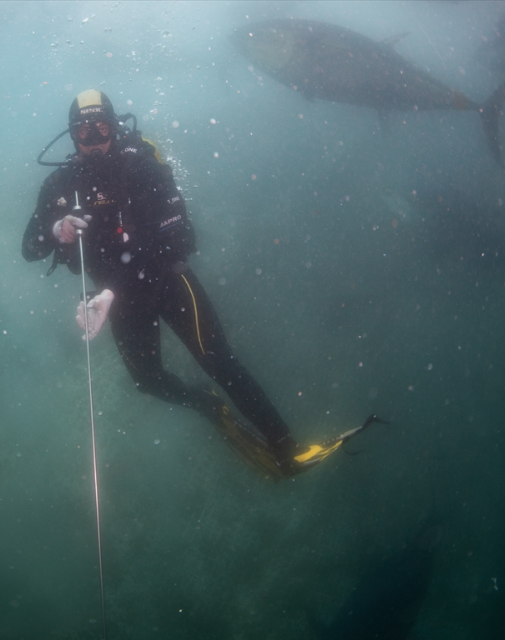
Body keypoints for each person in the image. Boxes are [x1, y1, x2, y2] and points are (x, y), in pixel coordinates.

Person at [23, 90, 343, 478]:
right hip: (120, 301)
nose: (94, 141)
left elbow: (169, 238)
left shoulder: (142, 166)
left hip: (168, 282)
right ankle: (206, 405)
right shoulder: (62, 184)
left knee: (219, 361)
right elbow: (29, 248)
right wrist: (57, 230)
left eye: (102, 128)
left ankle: (286, 447)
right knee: (148, 382)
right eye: (83, 132)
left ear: (115, 127)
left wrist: (108, 293)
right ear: (72, 135)